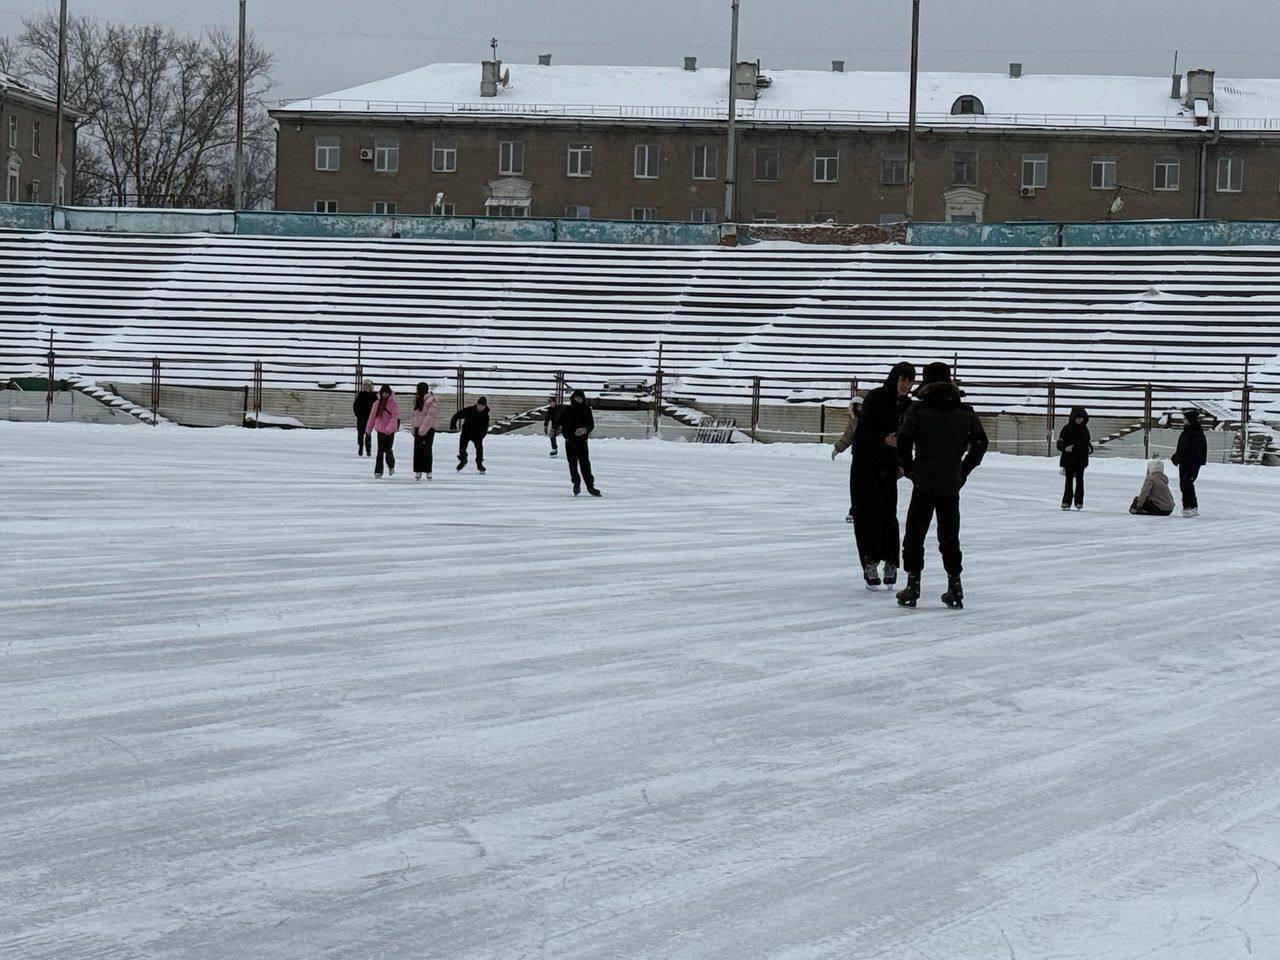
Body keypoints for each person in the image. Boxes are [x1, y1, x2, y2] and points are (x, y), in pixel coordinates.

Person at [895, 362, 988, 609]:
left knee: (915, 535)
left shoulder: (918, 410)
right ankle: (955, 585)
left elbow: (903, 441)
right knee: (949, 536)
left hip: (924, 482)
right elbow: (981, 442)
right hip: (950, 483)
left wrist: (910, 469)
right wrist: (963, 470)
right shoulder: (965, 412)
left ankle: (913, 585)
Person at [851, 362, 916, 588]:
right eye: (903, 379)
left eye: (910, 381)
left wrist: (903, 463)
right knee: (865, 514)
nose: (906, 385)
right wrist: (883, 440)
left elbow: (907, 439)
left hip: (889, 465)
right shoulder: (876, 398)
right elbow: (863, 431)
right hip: (865, 464)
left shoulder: (907, 405)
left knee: (888, 514)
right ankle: (869, 561)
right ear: (895, 378)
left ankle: (891, 561)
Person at [831, 394, 865, 523]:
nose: (859, 408)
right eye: (857, 406)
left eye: (861, 405)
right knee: (855, 485)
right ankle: (855, 510)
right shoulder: (854, 420)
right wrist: (838, 448)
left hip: (872, 457)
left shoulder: (874, 419)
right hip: (857, 456)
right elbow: (848, 435)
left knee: (868, 486)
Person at [561, 389, 601, 496]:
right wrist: (557, 430)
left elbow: (591, 424)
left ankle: (590, 486)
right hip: (569, 440)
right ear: (573, 398)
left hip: (582, 441)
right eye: (577, 397)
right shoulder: (568, 409)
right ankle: (576, 482)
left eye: (580, 397)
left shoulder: (586, 409)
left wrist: (584, 430)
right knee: (572, 464)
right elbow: (561, 422)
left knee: (585, 464)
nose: (578, 399)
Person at [1171, 409, 1208, 517]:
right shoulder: (1187, 432)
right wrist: (1176, 457)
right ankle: (1192, 506)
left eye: (1185, 418)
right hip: (1184, 462)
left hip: (1191, 463)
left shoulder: (1196, 433)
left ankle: (1187, 507)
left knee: (1186, 484)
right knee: (1186, 484)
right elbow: (1182, 448)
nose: (1183, 420)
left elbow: (1195, 450)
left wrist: (1189, 461)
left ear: (1189, 420)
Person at [1056, 406, 1094, 511]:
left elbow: (1088, 443)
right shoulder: (1067, 428)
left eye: (1082, 418)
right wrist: (1065, 448)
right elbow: (1059, 443)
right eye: (1078, 418)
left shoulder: (1085, 430)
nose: (1080, 420)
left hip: (1081, 460)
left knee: (1080, 481)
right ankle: (1066, 501)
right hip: (1069, 460)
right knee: (1068, 482)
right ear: (1074, 418)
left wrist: (1090, 449)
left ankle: (1079, 501)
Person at [365, 384, 400, 479]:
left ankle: (391, 465)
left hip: (390, 431)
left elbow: (394, 417)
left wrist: (389, 428)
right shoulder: (377, 404)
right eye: (383, 393)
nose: (385, 395)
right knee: (380, 451)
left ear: (389, 393)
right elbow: (372, 417)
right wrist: (368, 429)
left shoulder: (393, 404)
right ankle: (378, 471)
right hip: (380, 430)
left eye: (386, 393)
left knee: (388, 450)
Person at [451, 396, 491, 472]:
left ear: (485, 406)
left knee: (479, 449)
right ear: (477, 404)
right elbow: (457, 415)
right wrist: (453, 423)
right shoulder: (470, 410)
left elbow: (485, 428)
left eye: (482, 406)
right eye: (479, 405)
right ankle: (463, 460)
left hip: (477, 435)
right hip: (466, 432)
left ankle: (479, 464)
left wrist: (481, 436)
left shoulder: (485, 415)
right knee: (462, 448)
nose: (480, 407)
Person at [411, 382, 438, 481]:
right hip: (418, 427)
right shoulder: (417, 400)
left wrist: (423, 428)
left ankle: (428, 470)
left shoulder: (430, 400)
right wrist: (414, 427)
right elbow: (415, 414)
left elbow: (430, 415)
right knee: (418, 449)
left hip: (429, 428)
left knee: (427, 449)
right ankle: (418, 470)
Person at [352, 379, 376, 457]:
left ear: (370, 386)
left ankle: (368, 450)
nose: (366, 387)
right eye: (365, 385)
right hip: (361, 418)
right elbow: (355, 405)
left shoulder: (373, 396)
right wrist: (358, 414)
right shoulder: (360, 395)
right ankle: (360, 447)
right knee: (360, 434)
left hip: (369, 418)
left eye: (368, 385)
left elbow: (377, 407)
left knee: (368, 434)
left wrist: (374, 416)